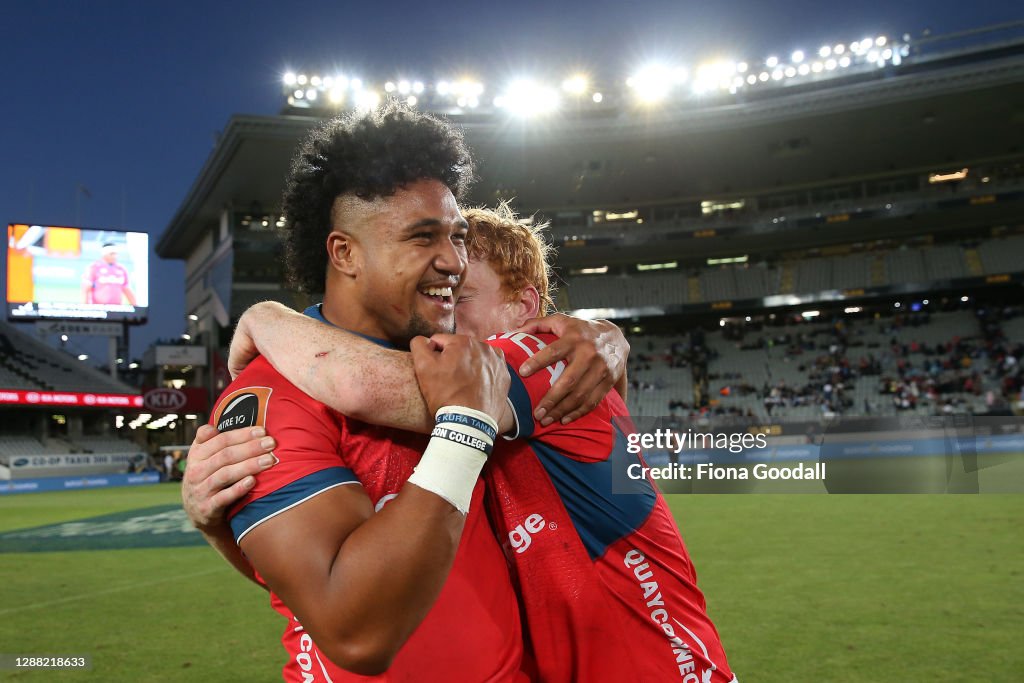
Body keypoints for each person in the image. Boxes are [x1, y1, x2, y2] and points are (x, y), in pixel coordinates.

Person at [188, 204, 736, 682]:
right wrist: (222, 526)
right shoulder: (467, 423)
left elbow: (363, 384)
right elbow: (348, 592)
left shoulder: (552, 358)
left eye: (462, 294)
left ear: (525, 306)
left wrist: (266, 318)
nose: (443, 310)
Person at [194, 103, 625, 682]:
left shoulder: (461, 362)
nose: (453, 262)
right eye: (423, 238)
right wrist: (464, 431)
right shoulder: (272, 398)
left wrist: (610, 337)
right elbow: (355, 630)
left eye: (457, 236)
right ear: (344, 253)